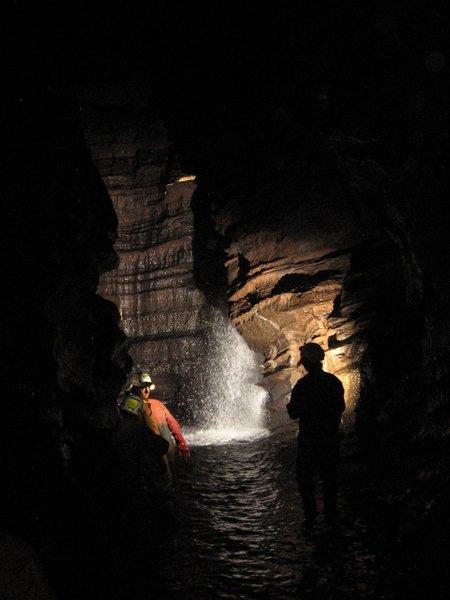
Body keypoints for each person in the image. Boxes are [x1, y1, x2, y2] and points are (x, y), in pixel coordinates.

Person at [286, 342, 345, 527]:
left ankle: (310, 518)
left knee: (305, 480)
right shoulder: (334, 382)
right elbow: (340, 408)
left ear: (306, 364)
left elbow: (293, 413)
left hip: (309, 441)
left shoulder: (303, 385)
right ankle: (331, 517)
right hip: (329, 439)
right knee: (330, 479)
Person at [112, 381, 169, 518]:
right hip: (137, 480)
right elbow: (162, 445)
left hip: (118, 480)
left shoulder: (114, 429)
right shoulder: (140, 431)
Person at [126, 373, 190, 493]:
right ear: (136, 388)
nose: (146, 389)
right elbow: (173, 424)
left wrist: (181, 443)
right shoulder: (153, 404)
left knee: (160, 483)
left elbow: (173, 425)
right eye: (143, 386)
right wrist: (181, 443)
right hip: (162, 449)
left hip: (157, 452)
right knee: (166, 481)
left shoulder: (143, 405)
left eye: (148, 386)